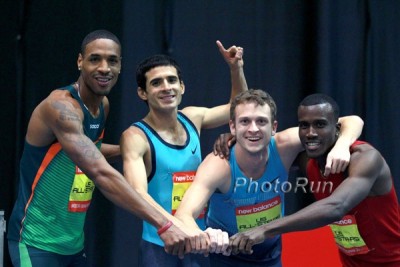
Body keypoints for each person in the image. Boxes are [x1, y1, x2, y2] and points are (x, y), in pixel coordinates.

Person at [7, 30, 189, 267]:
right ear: (80, 61)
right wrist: (164, 224)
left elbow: (88, 151)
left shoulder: (102, 105)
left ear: (120, 65)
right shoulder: (60, 108)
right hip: (35, 243)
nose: (105, 68)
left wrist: (139, 148)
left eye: (112, 60)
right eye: (95, 59)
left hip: (74, 245)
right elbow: (100, 172)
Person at [174, 89, 364, 266]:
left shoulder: (285, 145)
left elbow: (352, 120)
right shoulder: (218, 165)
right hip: (223, 258)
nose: (253, 129)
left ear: (274, 127)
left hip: (271, 256)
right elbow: (183, 215)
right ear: (232, 126)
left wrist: (342, 144)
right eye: (245, 121)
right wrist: (205, 236)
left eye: (261, 121)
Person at [229, 93, 400, 267]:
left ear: (337, 128)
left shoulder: (365, 158)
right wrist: (237, 140)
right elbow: (265, 152)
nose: (310, 133)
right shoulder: (308, 161)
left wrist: (264, 229)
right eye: (304, 126)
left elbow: (336, 207)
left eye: (320, 125)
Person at [119, 41, 248, 266]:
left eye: (172, 80)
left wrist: (235, 68)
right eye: (156, 83)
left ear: (182, 87)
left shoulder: (193, 117)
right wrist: (175, 227)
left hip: (199, 243)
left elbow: (238, 109)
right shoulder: (135, 137)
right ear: (142, 93)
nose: (166, 87)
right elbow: (137, 194)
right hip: (161, 246)